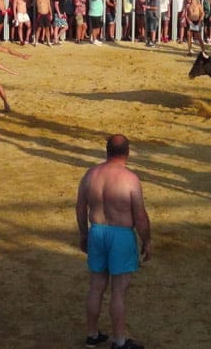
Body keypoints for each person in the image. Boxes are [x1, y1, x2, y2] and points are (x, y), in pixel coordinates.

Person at [76, 135, 151, 349]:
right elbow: (140, 216)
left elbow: (80, 207)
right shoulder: (130, 179)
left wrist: (83, 234)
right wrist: (147, 240)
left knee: (96, 286)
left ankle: (92, 335)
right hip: (121, 235)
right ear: (127, 152)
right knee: (118, 291)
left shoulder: (91, 175)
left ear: (107, 151)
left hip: (97, 232)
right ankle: (119, 340)